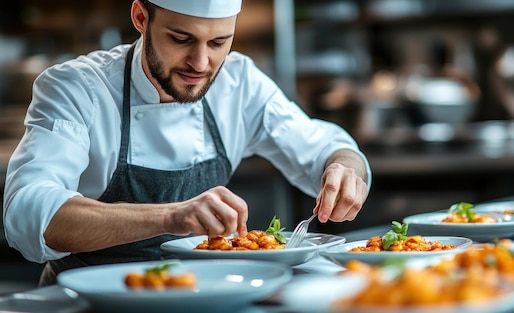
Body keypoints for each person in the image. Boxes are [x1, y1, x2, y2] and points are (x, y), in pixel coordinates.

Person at [2, 0, 371, 286]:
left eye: (219, 42)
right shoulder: (78, 88)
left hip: (203, 294)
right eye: (181, 39)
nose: (200, 62)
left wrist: (343, 168)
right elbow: (27, 214)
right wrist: (171, 216)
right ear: (141, 18)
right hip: (85, 301)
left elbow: (325, 146)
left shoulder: (239, 82)